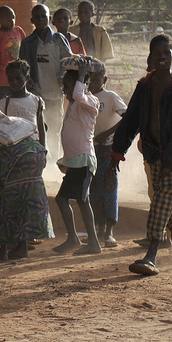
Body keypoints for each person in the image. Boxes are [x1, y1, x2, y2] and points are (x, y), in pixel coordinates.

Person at [106, 34, 172, 276]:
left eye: (166, 53)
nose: (161, 57)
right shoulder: (144, 86)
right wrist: (117, 153)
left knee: (161, 199)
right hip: (152, 153)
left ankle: (151, 254)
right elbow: (130, 121)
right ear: (150, 57)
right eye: (156, 53)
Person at [0, 110, 52, 260]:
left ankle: (2, 251)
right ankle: (22, 248)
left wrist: (1, 185)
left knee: (8, 204)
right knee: (25, 201)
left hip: (17, 162)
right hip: (37, 155)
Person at [52, 56, 103, 255]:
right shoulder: (74, 104)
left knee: (63, 199)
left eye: (67, 85)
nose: (64, 90)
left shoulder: (90, 101)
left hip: (83, 160)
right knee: (81, 201)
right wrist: (66, 161)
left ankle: (78, 239)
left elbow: (80, 94)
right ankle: (90, 241)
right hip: (78, 161)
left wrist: (81, 75)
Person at [18, 3, 70, 158]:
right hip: (36, 93)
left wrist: (63, 76)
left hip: (55, 93)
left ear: (49, 18)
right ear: (32, 20)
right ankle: (41, 159)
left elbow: (68, 61)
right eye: (37, 17)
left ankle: (56, 159)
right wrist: (29, 81)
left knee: (55, 128)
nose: (40, 19)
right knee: (38, 128)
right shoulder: (28, 43)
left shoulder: (58, 39)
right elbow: (22, 67)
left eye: (44, 16)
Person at [87, 65, 128, 248]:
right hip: (92, 148)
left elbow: (126, 117)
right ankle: (99, 229)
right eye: (90, 80)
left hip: (109, 147)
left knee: (110, 187)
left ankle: (109, 232)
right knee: (95, 188)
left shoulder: (110, 97)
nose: (93, 84)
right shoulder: (86, 98)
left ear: (105, 80)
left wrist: (108, 133)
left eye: (97, 79)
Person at [0, 61, 47, 151]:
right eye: (10, 79)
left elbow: (41, 128)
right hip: (12, 152)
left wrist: (43, 150)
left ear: (27, 77)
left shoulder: (36, 101)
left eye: (18, 78)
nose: (14, 82)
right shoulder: (4, 104)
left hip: (33, 151)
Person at [0, 7, 26, 101]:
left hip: (19, 78)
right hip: (3, 80)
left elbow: (25, 51)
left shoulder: (19, 31)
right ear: (0, 20)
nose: (12, 21)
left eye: (13, 17)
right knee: (4, 106)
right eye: (8, 19)